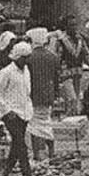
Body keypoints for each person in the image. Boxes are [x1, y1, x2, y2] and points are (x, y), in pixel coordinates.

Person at [0, 42, 36, 176]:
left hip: (24, 112)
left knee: (16, 147)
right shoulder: (6, 72)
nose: (26, 61)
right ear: (17, 57)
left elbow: (27, 92)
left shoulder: (26, 71)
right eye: (24, 58)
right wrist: (6, 109)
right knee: (21, 144)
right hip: (11, 114)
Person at [25, 27, 62, 161]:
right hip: (48, 95)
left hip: (33, 95)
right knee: (46, 122)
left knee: (34, 125)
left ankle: (36, 153)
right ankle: (51, 151)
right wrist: (56, 94)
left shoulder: (29, 58)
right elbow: (57, 78)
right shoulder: (53, 57)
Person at [57, 16, 89, 116]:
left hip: (77, 73)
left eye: (75, 24)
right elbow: (57, 57)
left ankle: (72, 121)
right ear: (66, 26)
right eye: (71, 25)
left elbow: (87, 55)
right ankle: (69, 120)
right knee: (72, 98)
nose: (74, 27)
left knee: (75, 99)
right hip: (65, 74)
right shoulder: (61, 40)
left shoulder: (80, 39)